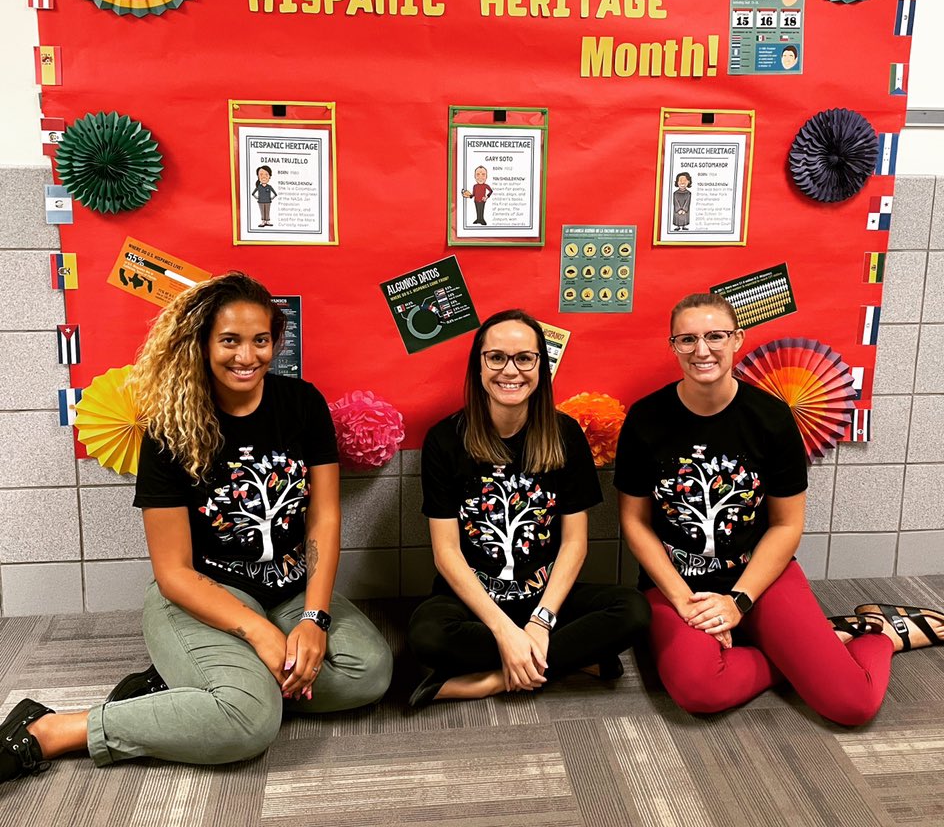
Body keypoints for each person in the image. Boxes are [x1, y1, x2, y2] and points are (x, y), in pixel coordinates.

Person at [0, 273, 392, 785]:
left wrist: (314, 618)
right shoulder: (169, 427)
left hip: (291, 589)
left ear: (275, 342)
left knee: (370, 672)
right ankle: (55, 729)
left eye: (261, 340)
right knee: (248, 724)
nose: (246, 356)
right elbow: (173, 573)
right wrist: (261, 634)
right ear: (203, 343)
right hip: (201, 596)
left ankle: (202, 688)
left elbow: (323, 517)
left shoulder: (303, 404)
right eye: (230, 340)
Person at [615, 293, 944, 726]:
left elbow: (786, 524)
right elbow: (635, 522)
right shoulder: (646, 418)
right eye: (687, 339)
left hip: (760, 575)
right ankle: (825, 643)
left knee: (852, 705)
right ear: (673, 346)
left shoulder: (771, 418)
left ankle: (880, 636)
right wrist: (683, 600)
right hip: (677, 586)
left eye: (715, 336)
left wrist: (738, 600)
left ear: (737, 338)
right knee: (699, 691)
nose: (702, 350)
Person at [407, 309, 650, 706]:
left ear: (541, 365)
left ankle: (489, 681)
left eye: (524, 358)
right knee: (427, 636)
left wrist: (541, 621)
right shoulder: (445, 439)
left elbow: (575, 544)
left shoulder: (565, 435)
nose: (511, 371)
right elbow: (446, 552)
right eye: (497, 357)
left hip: (546, 598)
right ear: (479, 364)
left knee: (633, 611)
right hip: (474, 603)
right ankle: (572, 661)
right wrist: (505, 631)